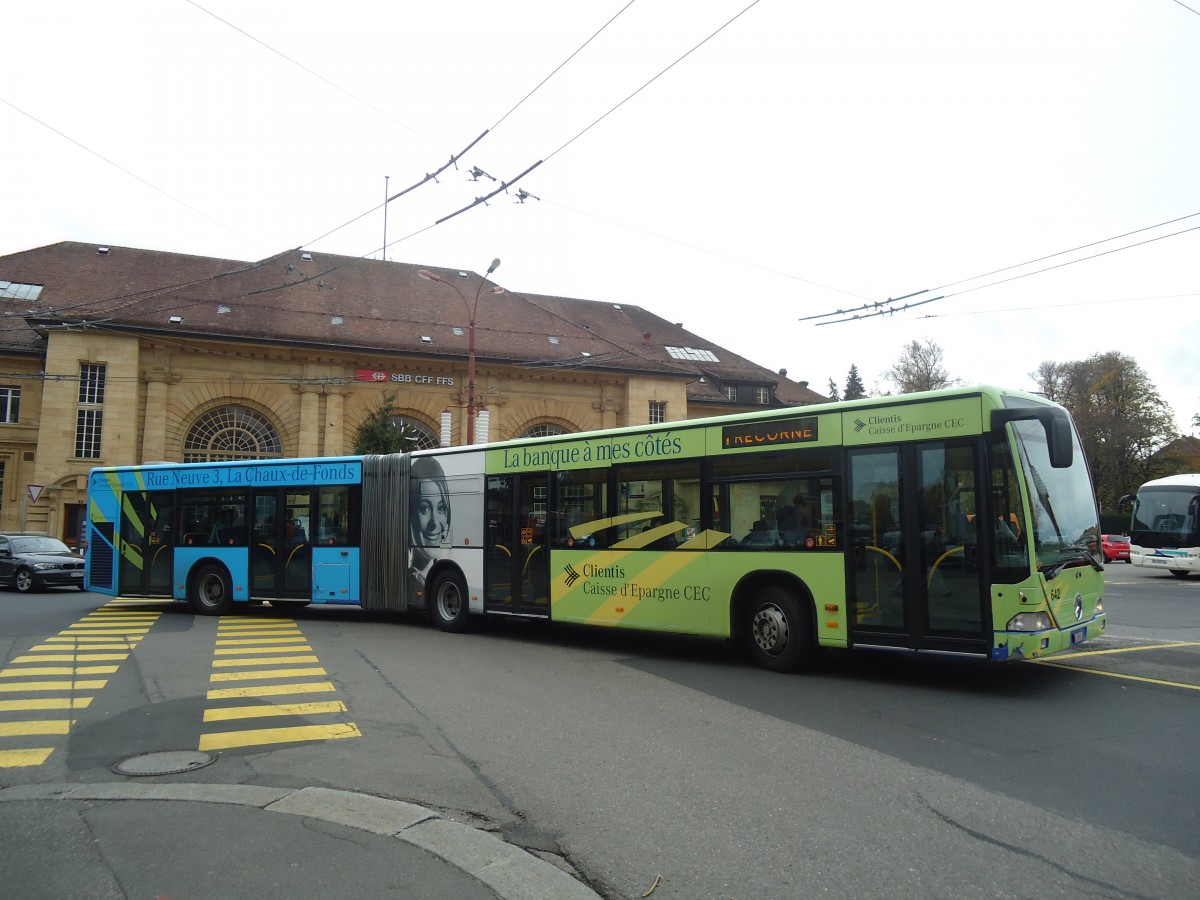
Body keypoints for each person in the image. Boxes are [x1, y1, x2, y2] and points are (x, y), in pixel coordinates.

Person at [409, 456, 451, 593]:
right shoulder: (411, 584)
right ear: (410, 514)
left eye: (441, 508)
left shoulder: (431, 580)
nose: (434, 523)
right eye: (424, 508)